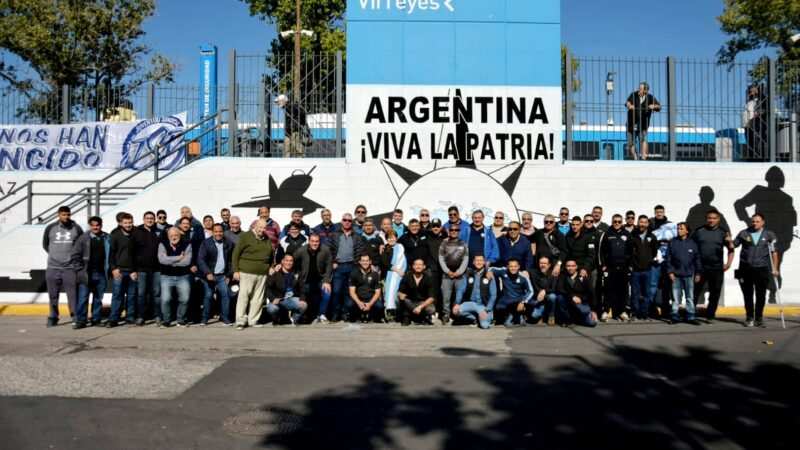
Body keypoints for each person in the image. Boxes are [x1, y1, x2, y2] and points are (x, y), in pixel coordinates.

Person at [733, 214, 779, 328]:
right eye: (753, 221)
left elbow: (774, 252)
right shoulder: (744, 233)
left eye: (757, 221)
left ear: (763, 222)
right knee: (747, 294)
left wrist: (775, 268)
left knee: (761, 295)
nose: (754, 223)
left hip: (761, 268)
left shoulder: (769, 234)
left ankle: (759, 318)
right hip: (745, 268)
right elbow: (733, 245)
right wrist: (728, 240)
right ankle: (749, 318)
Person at [42, 206, 83, 328]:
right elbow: (45, 244)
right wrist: (55, 256)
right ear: (58, 215)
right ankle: (53, 317)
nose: (66, 217)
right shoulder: (50, 227)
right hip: (53, 267)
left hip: (69, 268)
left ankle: (75, 316)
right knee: (53, 295)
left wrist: (72, 259)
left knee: (72, 295)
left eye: (68, 214)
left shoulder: (76, 228)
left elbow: (80, 246)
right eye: (63, 215)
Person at [692, 209, 735, 323]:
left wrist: (728, 264)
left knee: (715, 292)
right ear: (706, 219)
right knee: (695, 291)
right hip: (700, 268)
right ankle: (691, 314)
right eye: (709, 218)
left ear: (718, 220)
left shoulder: (723, 232)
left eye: (714, 218)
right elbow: (691, 248)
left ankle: (710, 315)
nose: (711, 220)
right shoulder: (699, 231)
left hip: (716, 268)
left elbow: (731, 249)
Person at [232, 219, 274, 330]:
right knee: (244, 297)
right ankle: (240, 321)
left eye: (264, 228)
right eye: (260, 227)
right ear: (255, 226)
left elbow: (271, 254)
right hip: (246, 272)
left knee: (258, 298)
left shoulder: (266, 239)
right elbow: (236, 254)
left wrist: (271, 267)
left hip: (262, 273)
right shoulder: (246, 236)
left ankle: (253, 320)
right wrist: (235, 270)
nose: (262, 230)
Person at [328, 213, 367, 321]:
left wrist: (356, 264)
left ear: (352, 222)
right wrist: (333, 261)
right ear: (341, 221)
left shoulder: (357, 236)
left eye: (349, 220)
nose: (347, 222)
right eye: (345, 220)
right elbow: (329, 249)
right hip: (338, 267)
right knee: (336, 291)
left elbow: (360, 250)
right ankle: (335, 313)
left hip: (351, 266)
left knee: (348, 292)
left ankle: (346, 313)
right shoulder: (335, 234)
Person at [72, 216, 107, 328]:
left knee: (98, 298)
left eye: (97, 225)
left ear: (101, 225)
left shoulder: (106, 237)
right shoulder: (83, 238)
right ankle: (81, 321)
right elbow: (75, 255)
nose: (95, 227)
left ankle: (96, 319)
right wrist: (79, 270)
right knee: (83, 298)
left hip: (101, 273)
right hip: (86, 273)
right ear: (90, 226)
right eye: (93, 225)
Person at [666, 223, 702, 325]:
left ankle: (690, 316)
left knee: (689, 297)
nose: (678, 230)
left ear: (687, 231)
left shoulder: (693, 244)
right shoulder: (673, 242)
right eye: (678, 228)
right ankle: (674, 316)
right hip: (676, 275)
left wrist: (698, 273)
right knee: (675, 298)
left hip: (689, 275)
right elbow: (668, 259)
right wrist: (670, 272)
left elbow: (697, 259)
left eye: (681, 229)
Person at [198, 224, 234, 325]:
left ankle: (225, 317)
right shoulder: (206, 243)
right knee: (208, 296)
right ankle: (205, 318)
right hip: (210, 275)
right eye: (216, 231)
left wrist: (228, 275)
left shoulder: (228, 243)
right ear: (212, 232)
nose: (218, 233)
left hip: (222, 275)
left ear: (223, 232)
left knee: (225, 295)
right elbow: (201, 260)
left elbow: (231, 261)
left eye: (220, 231)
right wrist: (208, 273)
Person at [294, 233, 333, 324]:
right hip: (306, 280)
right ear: (309, 241)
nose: (315, 243)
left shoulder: (325, 250)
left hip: (321, 279)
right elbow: (292, 259)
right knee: (309, 299)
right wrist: (295, 272)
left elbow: (329, 265)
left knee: (327, 293)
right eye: (312, 241)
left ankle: (322, 314)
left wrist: (327, 280)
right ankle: (306, 316)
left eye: (317, 241)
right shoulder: (302, 250)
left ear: (319, 242)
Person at [599, 214, 632, 321]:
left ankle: (622, 311)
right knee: (608, 290)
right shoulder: (607, 234)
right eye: (615, 221)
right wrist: (603, 265)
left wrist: (629, 266)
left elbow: (631, 251)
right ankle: (606, 311)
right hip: (610, 267)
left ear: (622, 222)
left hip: (623, 268)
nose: (617, 223)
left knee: (623, 290)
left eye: (619, 221)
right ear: (612, 222)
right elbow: (601, 252)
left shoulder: (627, 234)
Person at [158, 227, 193, 327]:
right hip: (166, 277)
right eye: (171, 235)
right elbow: (162, 260)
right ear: (168, 236)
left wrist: (170, 261)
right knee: (165, 299)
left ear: (180, 235)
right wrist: (179, 258)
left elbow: (187, 262)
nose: (174, 237)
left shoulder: (187, 244)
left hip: (183, 276)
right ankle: (166, 320)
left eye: (176, 235)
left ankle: (180, 319)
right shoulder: (162, 244)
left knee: (185, 299)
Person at [108, 212, 137, 327]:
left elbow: (137, 255)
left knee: (131, 296)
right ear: (120, 223)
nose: (128, 225)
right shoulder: (115, 235)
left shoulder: (135, 235)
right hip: (119, 270)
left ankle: (130, 317)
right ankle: (113, 318)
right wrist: (114, 268)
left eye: (130, 222)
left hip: (132, 272)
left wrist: (135, 270)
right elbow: (111, 254)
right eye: (125, 223)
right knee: (117, 295)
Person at [132, 211, 161, 326]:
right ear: (143, 220)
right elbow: (132, 252)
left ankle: (157, 315)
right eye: (147, 218)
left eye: (151, 218)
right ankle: (141, 316)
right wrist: (134, 269)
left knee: (157, 294)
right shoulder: (137, 232)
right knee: (141, 294)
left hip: (156, 269)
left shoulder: (158, 232)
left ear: (154, 220)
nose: (149, 220)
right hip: (141, 269)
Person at [452, 255, 496, 329]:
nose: (479, 262)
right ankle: (475, 318)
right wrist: (457, 303)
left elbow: (493, 295)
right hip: (471, 303)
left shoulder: (489, 275)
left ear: (484, 262)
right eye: (477, 260)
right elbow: (460, 290)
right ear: (473, 262)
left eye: (481, 260)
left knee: (484, 325)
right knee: (455, 311)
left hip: (483, 306)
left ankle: (487, 317)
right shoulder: (469, 274)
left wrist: (487, 309)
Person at [650, 205, 677, 317]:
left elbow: (674, 239)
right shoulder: (650, 224)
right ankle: (651, 309)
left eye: (661, 211)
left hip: (667, 260)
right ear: (655, 212)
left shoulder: (670, 225)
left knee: (667, 285)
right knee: (653, 285)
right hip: (654, 260)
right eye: (657, 212)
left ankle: (665, 308)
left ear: (664, 212)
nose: (659, 213)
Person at [439, 222, 469, 324]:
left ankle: (457, 314)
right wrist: (447, 271)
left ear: (459, 231)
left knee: (459, 296)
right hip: (446, 274)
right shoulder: (444, 243)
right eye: (452, 230)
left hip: (460, 275)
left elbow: (466, 259)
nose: (454, 232)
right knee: (446, 296)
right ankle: (446, 314)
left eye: (456, 230)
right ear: (448, 231)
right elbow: (441, 258)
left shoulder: (464, 244)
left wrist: (459, 272)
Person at [630, 216, 659, 321]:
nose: (642, 224)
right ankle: (635, 313)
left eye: (644, 222)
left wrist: (649, 260)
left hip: (647, 270)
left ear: (648, 224)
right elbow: (629, 252)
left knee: (647, 293)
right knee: (635, 293)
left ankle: (644, 313)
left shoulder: (652, 237)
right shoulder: (633, 236)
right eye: (641, 222)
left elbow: (655, 251)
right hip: (635, 270)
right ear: (638, 223)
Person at [489, 259, 533, 327]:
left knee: (524, 303)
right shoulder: (503, 271)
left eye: (515, 266)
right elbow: (492, 268)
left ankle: (517, 316)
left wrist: (523, 302)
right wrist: (489, 272)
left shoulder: (523, 277)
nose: (513, 268)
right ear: (507, 267)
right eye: (511, 266)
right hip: (506, 298)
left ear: (518, 267)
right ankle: (514, 316)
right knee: (498, 307)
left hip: (518, 299)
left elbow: (531, 291)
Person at [265, 254, 308, 325]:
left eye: (291, 261)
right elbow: (267, 287)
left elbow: (302, 287)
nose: (289, 263)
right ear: (282, 261)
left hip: (291, 299)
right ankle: (277, 319)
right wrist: (272, 299)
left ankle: (294, 319)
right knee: (272, 309)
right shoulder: (275, 272)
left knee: (304, 305)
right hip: (278, 299)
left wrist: (302, 299)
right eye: (287, 260)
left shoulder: (296, 272)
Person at [555, 259, 597, 327]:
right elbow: (559, 289)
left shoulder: (583, 276)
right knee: (560, 297)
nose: (570, 268)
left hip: (582, 303)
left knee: (592, 323)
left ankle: (579, 318)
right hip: (569, 302)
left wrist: (593, 310)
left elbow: (591, 293)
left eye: (573, 266)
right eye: (568, 266)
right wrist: (572, 296)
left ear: (576, 267)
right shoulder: (563, 276)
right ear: (565, 267)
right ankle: (568, 319)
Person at [625, 81, 662, 160]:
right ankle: (635, 157)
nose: (639, 90)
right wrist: (629, 105)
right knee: (630, 142)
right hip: (631, 123)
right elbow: (627, 102)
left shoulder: (650, 97)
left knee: (643, 139)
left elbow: (659, 107)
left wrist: (654, 106)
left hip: (643, 124)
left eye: (641, 89)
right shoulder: (633, 95)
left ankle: (643, 156)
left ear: (646, 91)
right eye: (639, 88)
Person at [398, 258, 437, 325]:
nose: (418, 266)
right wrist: (401, 295)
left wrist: (420, 307)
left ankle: (417, 317)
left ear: (424, 267)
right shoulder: (407, 277)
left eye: (420, 265)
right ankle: (409, 317)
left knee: (431, 309)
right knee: (400, 299)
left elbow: (431, 298)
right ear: (413, 266)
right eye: (416, 265)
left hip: (422, 303)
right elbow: (400, 292)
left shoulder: (428, 278)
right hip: (410, 302)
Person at [347, 254, 384, 322]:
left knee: (380, 306)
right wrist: (359, 303)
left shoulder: (375, 274)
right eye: (363, 261)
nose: (365, 263)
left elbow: (378, 293)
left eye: (367, 261)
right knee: (349, 304)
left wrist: (370, 304)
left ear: (370, 262)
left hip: (370, 298)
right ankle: (357, 316)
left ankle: (371, 316)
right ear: (360, 262)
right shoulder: (354, 273)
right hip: (359, 298)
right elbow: (352, 292)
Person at [380, 230, 406, 321]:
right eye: (389, 238)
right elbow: (385, 263)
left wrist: (402, 271)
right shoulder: (385, 249)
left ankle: (400, 314)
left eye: (393, 237)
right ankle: (390, 314)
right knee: (390, 294)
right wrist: (397, 270)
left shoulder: (401, 247)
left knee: (398, 295)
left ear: (396, 238)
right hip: (390, 276)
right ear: (386, 239)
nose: (391, 239)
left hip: (401, 275)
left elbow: (403, 260)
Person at [276, 94, 307, 158]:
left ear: (283, 101)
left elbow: (302, 113)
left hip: (294, 130)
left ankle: (300, 160)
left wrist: (297, 124)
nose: (277, 103)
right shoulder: (287, 108)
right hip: (288, 131)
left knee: (296, 147)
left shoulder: (291, 106)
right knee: (287, 148)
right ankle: (287, 160)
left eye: (278, 101)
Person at [529, 256, 558, 325]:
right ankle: (542, 315)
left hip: (548, 296)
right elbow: (534, 287)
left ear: (549, 265)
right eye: (541, 263)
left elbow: (554, 288)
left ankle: (551, 315)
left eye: (545, 263)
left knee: (552, 296)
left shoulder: (553, 273)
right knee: (534, 316)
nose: (542, 265)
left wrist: (544, 291)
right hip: (538, 298)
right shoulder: (533, 272)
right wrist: (525, 272)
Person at [426, 219, 445, 321]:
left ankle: (441, 312)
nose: (436, 228)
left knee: (442, 292)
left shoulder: (444, 239)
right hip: (432, 269)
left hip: (443, 269)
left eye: (437, 226)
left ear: (441, 227)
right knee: (432, 291)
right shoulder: (427, 239)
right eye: (434, 226)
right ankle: (432, 312)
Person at [742, 84, 767, 161]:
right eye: (750, 90)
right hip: (747, 125)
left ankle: (757, 159)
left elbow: (764, 109)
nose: (751, 91)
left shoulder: (762, 99)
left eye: (753, 90)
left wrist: (758, 114)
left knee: (756, 143)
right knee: (750, 143)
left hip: (755, 125)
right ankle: (751, 158)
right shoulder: (749, 101)